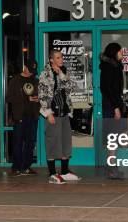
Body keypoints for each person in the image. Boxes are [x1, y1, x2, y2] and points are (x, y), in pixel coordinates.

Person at [38, 49, 80, 185]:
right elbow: (42, 95)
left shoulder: (64, 72)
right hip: (52, 114)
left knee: (65, 142)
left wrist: (61, 74)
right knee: (52, 142)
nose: (61, 59)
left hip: (64, 112)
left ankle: (64, 171)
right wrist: (48, 113)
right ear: (51, 60)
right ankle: (51, 173)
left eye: (61, 57)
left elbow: (72, 87)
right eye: (58, 57)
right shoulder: (45, 74)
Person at [6, 61, 40, 176]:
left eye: (33, 71)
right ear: (24, 67)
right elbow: (9, 98)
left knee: (30, 142)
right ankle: (16, 167)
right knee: (18, 142)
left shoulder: (35, 81)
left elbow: (40, 95)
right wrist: (27, 99)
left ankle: (26, 166)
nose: (31, 73)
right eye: (30, 70)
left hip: (33, 115)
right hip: (20, 116)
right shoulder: (15, 80)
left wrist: (38, 99)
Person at [99, 43, 125, 180]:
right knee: (112, 137)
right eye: (120, 51)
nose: (122, 53)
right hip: (111, 105)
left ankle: (111, 166)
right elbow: (108, 89)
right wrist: (116, 107)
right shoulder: (109, 67)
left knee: (114, 137)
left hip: (113, 104)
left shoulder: (115, 66)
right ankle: (111, 167)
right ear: (114, 52)